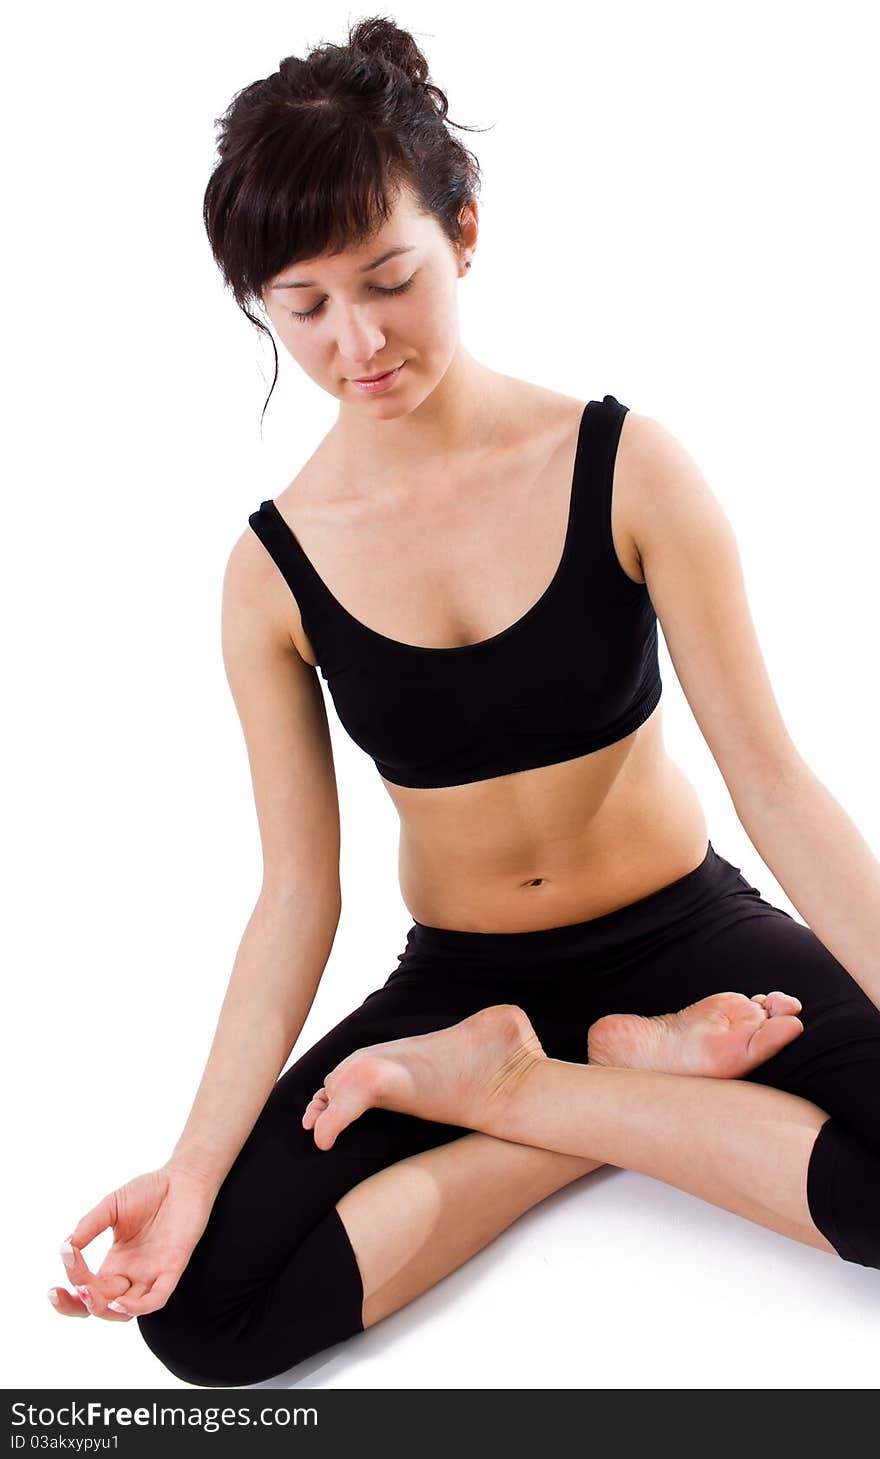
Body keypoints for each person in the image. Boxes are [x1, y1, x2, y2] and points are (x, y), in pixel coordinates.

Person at [49, 16, 880, 1388]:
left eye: (389, 279)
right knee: (202, 1316)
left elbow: (777, 784)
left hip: (688, 931)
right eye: (303, 305)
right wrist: (193, 1171)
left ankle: (536, 1089)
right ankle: (597, 1095)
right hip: (462, 983)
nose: (355, 342)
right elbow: (294, 896)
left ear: (467, 234)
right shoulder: (270, 575)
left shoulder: (624, 467)